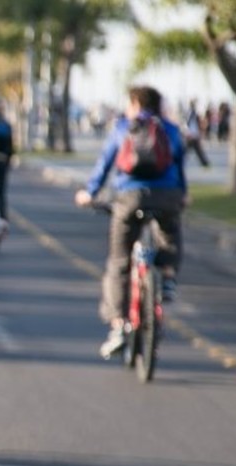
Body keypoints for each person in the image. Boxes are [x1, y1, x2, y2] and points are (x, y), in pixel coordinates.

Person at [73, 85, 188, 358]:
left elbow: (105, 163)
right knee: (169, 234)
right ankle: (167, 277)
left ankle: (117, 326)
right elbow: (178, 165)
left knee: (119, 260)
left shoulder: (123, 127)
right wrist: (182, 194)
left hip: (129, 197)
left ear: (136, 103)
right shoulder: (171, 129)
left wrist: (90, 193)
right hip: (167, 195)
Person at [183, 100, 211, 168]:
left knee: (193, 149)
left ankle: (205, 163)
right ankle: (205, 163)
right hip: (192, 134)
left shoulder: (191, 113)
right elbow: (189, 123)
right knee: (194, 149)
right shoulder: (192, 113)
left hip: (192, 134)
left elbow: (189, 123)